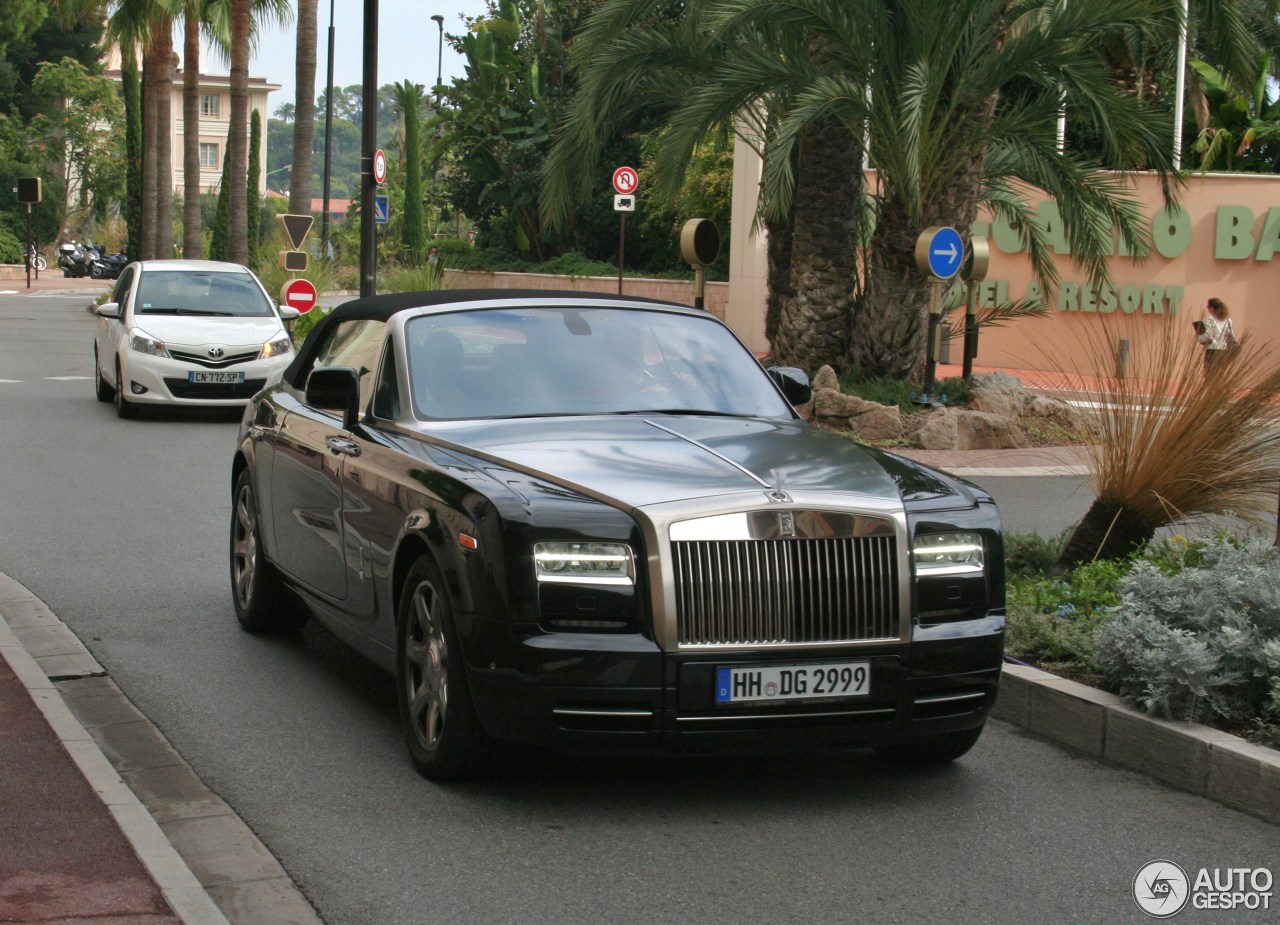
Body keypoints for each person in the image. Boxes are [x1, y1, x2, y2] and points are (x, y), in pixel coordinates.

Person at [1196, 297, 1237, 371]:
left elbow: (1205, 337)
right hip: (1224, 351)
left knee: (1209, 375)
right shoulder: (1228, 321)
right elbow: (1231, 336)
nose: (1208, 309)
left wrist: (1199, 334)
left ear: (1212, 308)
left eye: (1208, 306)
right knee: (1220, 375)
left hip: (1212, 351)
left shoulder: (1210, 320)